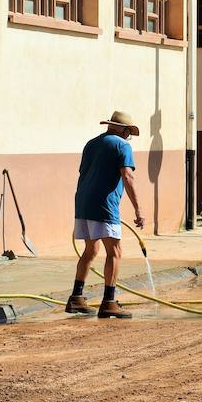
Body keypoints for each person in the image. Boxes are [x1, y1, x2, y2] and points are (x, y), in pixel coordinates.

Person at [66, 111, 145, 319]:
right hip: (104, 205)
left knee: (91, 250)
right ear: (124, 130)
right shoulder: (122, 145)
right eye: (129, 132)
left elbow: (84, 172)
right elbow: (128, 176)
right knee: (115, 251)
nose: (129, 137)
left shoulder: (91, 144)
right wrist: (138, 209)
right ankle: (109, 302)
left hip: (83, 202)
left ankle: (76, 298)